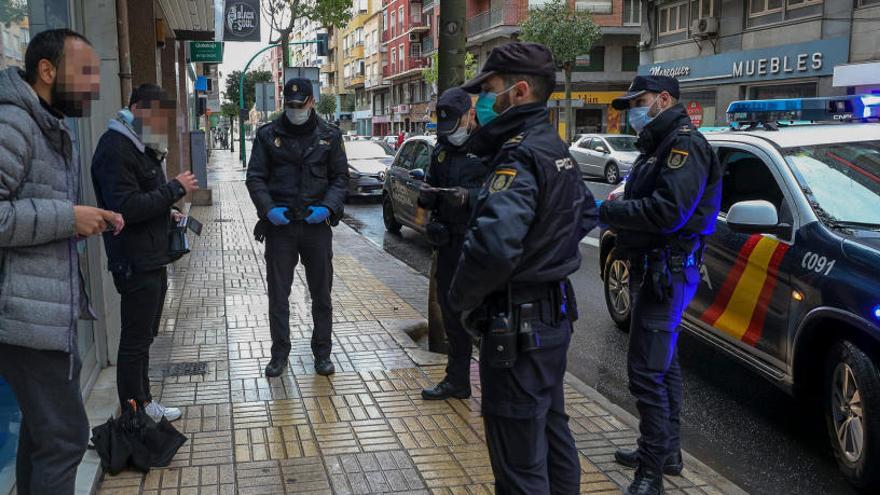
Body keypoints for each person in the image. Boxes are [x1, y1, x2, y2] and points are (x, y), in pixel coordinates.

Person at [448, 42, 598, 493]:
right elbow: (584, 213)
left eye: (490, 91)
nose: (483, 103)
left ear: (518, 91)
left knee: (519, 467)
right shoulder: (554, 146)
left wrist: (459, 300)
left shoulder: (518, 154)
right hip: (550, 322)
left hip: (518, 329)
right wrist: (544, 254)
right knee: (553, 440)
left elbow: (494, 247)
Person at [0, 29, 124, 494]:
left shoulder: (49, 124)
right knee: (67, 438)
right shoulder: (14, 123)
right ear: (47, 71)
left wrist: (88, 217)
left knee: (43, 434)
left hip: (45, 313)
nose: (94, 84)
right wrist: (67, 218)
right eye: (85, 72)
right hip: (22, 315)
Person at [601, 75, 722, 495]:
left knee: (645, 374)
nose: (633, 109)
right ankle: (664, 451)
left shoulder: (683, 145)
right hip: (653, 270)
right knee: (662, 364)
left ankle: (650, 474)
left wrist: (608, 212)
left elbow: (667, 211)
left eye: (640, 101)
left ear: (664, 99)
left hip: (665, 273)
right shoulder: (659, 145)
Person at [91, 84, 199, 422]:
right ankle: (134, 411)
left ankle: (144, 401)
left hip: (151, 256)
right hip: (134, 259)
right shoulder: (116, 147)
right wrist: (175, 189)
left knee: (145, 335)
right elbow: (124, 206)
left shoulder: (139, 146)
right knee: (135, 339)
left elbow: (141, 199)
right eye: (156, 116)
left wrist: (167, 210)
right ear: (136, 108)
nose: (160, 124)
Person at [246, 78, 349, 378]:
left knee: (322, 295)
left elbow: (340, 177)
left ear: (312, 102)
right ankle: (279, 355)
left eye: (299, 105)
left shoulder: (329, 135)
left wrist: (328, 208)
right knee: (278, 295)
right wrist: (268, 209)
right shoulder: (268, 135)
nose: (294, 110)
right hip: (281, 227)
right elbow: (255, 178)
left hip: (316, 227)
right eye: (289, 105)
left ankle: (322, 354)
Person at [418, 88, 490, 401]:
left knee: (485, 316)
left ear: (470, 115)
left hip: (479, 244)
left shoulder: (490, 146)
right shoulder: (442, 149)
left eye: (455, 124)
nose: (452, 133)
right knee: (451, 313)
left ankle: (494, 387)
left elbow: (502, 193)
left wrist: (469, 196)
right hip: (448, 243)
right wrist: (427, 195)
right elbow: (430, 186)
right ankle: (457, 380)